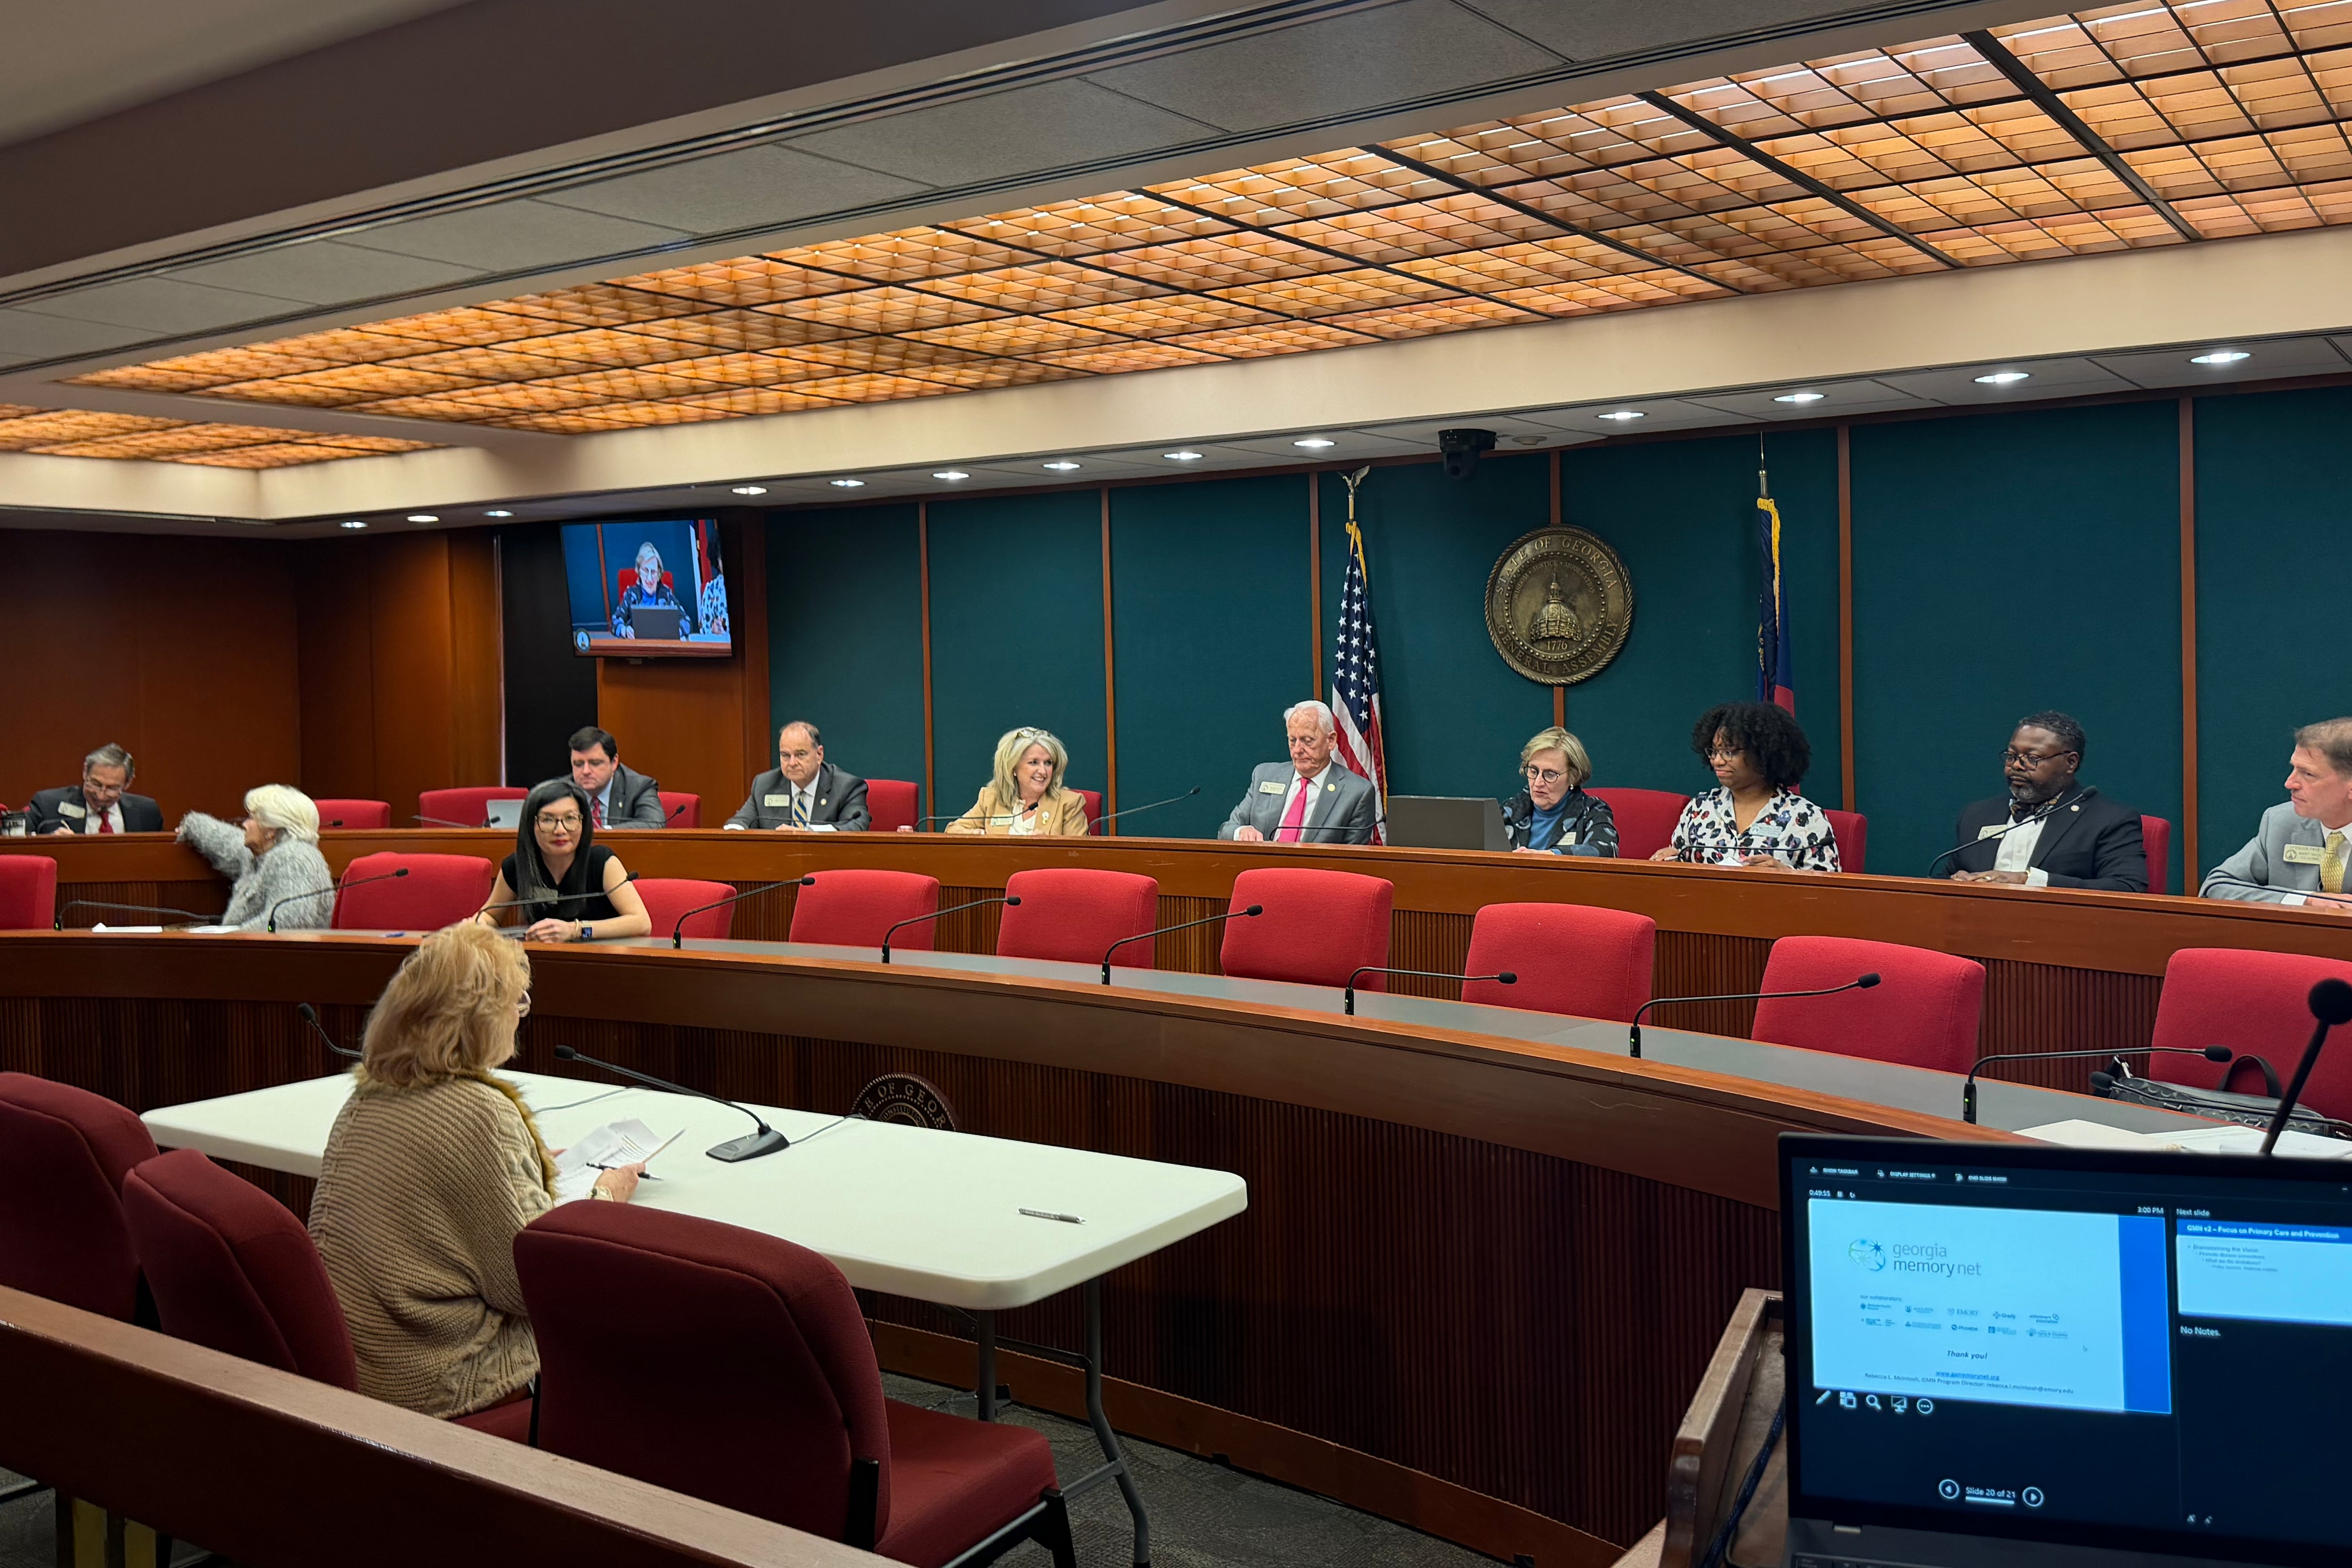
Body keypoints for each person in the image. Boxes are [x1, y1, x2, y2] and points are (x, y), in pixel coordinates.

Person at [309, 923, 643, 1419]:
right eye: (516, 1003)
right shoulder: (481, 1113)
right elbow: (532, 1286)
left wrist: (524, 1163)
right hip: (438, 1378)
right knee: (634, 1329)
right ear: (480, 1019)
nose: (519, 1016)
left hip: (360, 1361)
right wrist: (604, 1198)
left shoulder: (369, 1095)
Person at [1946, 710, 2145, 891]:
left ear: (2071, 763)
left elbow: (2127, 887)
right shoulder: (1977, 815)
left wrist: (2029, 880)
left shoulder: (2109, 820)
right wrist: (1957, 881)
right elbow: (1943, 879)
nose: (2017, 765)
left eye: (2032, 758)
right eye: (2012, 756)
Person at [1653, 702, 1840, 872]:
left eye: (1729, 752)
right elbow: (1679, 861)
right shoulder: (1700, 808)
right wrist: (1669, 860)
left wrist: (1787, 874)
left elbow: (1830, 892)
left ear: (1762, 754)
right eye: (1714, 752)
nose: (1718, 761)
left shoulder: (1805, 817)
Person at [2201, 718, 2352, 911]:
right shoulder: (2282, 821)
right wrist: (2305, 900)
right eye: (2294, 769)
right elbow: (2217, 886)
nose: (2290, 784)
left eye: (2308, 774)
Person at [475, 779, 652, 941]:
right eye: (548, 820)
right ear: (531, 825)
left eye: (570, 818)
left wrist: (576, 930)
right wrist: (478, 925)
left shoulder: (601, 861)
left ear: (583, 822)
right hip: (541, 962)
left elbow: (641, 923)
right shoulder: (517, 865)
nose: (560, 830)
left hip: (600, 961)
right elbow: (490, 914)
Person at [175, 785, 335, 931]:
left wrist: (233, 937)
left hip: (280, 959)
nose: (245, 824)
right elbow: (225, 841)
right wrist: (192, 824)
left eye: (252, 818)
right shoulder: (261, 855)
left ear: (271, 829)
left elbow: (286, 922)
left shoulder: (295, 858)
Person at [1219, 700, 1379, 845]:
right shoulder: (1265, 775)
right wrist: (1241, 832)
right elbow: (1226, 830)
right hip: (1260, 872)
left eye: (1307, 741)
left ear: (1331, 741)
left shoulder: (1356, 793)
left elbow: (1351, 861)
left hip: (1314, 874)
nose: (1297, 750)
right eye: (1293, 740)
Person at [725, 721, 870, 831]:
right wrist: (733, 831)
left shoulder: (846, 787)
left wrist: (807, 833)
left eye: (800, 755)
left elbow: (857, 826)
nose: (792, 763)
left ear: (819, 754)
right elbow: (740, 822)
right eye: (786, 755)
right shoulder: (765, 785)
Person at [948, 727, 1091, 836]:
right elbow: (953, 831)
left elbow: (1079, 856)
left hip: (1044, 874)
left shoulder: (1069, 804)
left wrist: (1049, 849)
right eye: (1034, 763)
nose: (1043, 771)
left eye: (1048, 763)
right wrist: (976, 836)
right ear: (1014, 768)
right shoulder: (991, 799)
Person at [1502, 726, 1618, 856]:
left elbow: (1606, 851)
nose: (1538, 782)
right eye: (1534, 771)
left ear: (1573, 777)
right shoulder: (1510, 811)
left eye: (1550, 774)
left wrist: (1550, 856)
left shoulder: (1593, 812)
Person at [32, 743, 164, 835]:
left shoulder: (146, 812)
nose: (101, 796)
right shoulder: (48, 805)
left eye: (112, 788)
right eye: (95, 784)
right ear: (85, 772)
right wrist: (49, 843)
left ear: (127, 783)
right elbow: (17, 838)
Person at [566, 726, 665, 828]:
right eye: (579, 764)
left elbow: (655, 825)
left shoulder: (639, 787)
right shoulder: (562, 791)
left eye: (595, 763)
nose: (586, 771)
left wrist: (606, 832)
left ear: (614, 763)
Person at [610, 542, 692, 640]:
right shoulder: (631, 594)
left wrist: (675, 633)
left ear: (659, 575)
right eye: (645, 571)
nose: (649, 578)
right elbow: (614, 622)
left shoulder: (666, 594)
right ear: (639, 572)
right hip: (638, 650)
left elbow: (687, 623)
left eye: (653, 572)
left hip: (662, 649)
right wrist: (624, 630)